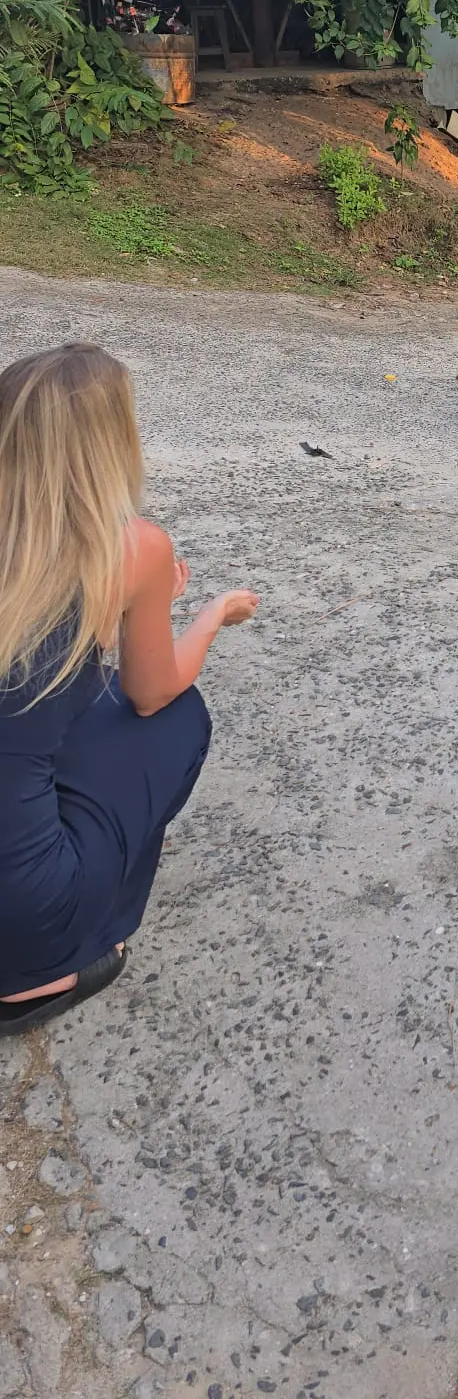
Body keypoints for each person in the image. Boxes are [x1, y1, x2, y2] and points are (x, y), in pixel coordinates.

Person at [0, 343, 258, 1034]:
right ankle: (51, 970)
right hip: (24, 914)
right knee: (174, 719)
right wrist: (205, 613)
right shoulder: (132, 548)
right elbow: (152, 691)